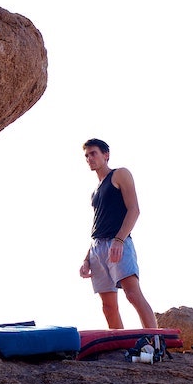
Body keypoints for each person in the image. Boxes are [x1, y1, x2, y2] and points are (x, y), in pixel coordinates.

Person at [79, 138, 157, 329]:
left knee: (132, 294)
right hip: (97, 247)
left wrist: (119, 239)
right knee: (108, 306)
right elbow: (98, 225)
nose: (89, 158)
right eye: (87, 155)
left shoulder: (120, 174)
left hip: (118, 243)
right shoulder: (95, 192)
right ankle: (119, 349)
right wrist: (86, 259)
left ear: (106, 155)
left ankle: (155, 341)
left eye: (93, 153)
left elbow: (134, 209)